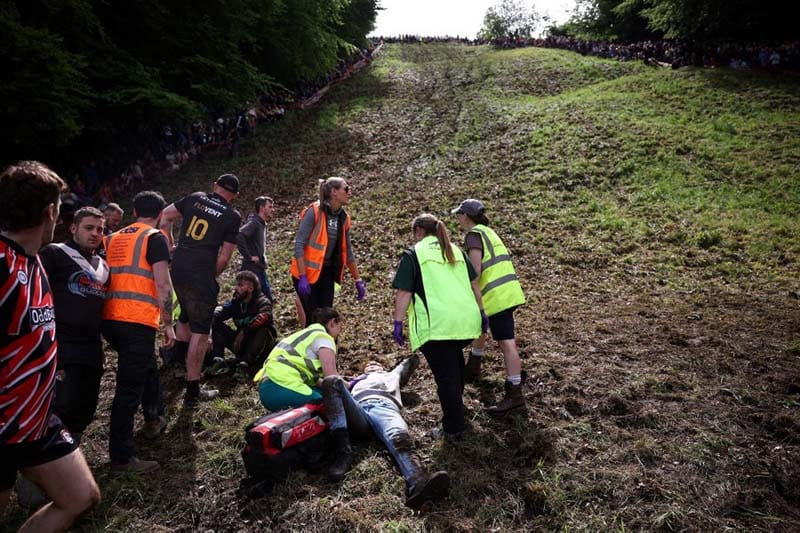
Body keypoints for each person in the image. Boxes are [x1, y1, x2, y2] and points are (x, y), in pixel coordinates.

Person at [0, 161, 100, 530]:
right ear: (49, 212)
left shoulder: (36, 261)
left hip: (37, 420)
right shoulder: (1, 264)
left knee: (80, 497)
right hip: (4, 423)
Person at [392, 214, 486, 439]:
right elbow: (474, 284)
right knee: (454, 364)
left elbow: (404, 292)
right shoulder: (455, 251)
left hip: (438, 326)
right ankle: (457, 411)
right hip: (465, 321)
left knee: (446, 378)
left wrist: (397, 322)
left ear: (418, 232)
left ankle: (453, 428)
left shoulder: (414, 254)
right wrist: (482, 312)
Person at [103, 191, 176, 472]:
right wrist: (168, 322)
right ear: (160, 214)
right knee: (128, 388)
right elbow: (163, 284)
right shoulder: (154, 238)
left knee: (147, 366)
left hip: (110, 320)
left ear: (133, 212)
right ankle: (121, 457)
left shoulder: (112, 238)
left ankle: (154, 417)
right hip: (137, 320)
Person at [322, 355, 450, 508]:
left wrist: (407, 357)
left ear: (383, 368)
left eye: (376, 363)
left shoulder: (391, 375)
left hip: (384, 407)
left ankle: (418, 482)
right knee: (330, 381)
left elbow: (410, 362)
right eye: (368, 364)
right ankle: (342, 452)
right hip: (358, 410)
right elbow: (332, 385)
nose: (372, 364)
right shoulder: (352, 382)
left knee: (399, 438)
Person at [159, 173, 241, 405]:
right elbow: (224, 258)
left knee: (184, 319)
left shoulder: (195, 198)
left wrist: (170, 246)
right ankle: (193, 390)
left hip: (178, 269)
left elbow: (165, 216)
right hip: (201, 273)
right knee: (201, 331)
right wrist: (209, 275)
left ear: (214, 185)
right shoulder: (231, 216)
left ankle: (178, 367)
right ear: (234, 196)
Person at [253, 307, 359, 480]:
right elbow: (332, 377)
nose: (339, 334)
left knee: (319, 397)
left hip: (269, 385)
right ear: (332, 322)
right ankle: (337, 451)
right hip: (283, 384)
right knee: (329, 406)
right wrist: (353, 386)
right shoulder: (324, 337)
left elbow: (318, 380)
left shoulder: (301, 336)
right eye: (340, 327)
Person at [39, 207, 109, 442]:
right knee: (62, 405)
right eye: (89, 228)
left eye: (100, 229)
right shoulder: (55, 253)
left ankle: (70, 454)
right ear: (73, 228)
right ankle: (40, 470)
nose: (95, 233)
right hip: (61, 341)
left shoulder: (104, 266)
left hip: (91, 344)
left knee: (86, 407)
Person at [453, 199, 527, 416]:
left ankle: (515, 394)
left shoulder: (474, 236)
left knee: (507, 344)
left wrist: (465, 289)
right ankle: (474, 364)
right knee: (480, 326)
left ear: (466, 215)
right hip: (507, 292)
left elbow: (475, 271)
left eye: (459, 214)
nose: (457, 218)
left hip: (496, 297)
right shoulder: (488, 232)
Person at [290, 177, 366, 326]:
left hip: (326, 273)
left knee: (327, 318)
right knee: (313, 319)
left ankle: (327, 348)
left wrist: (358, 280)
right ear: (334, 192)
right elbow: (299, 244)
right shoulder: (315, 212)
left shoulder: (343, 218)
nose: (349, 192)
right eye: (346, 189)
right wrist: (303, 276)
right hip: (306, 274)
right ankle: (312, 348)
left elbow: (348, 252)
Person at [208, 271, 275, 378]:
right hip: (241, 344)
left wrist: (244, 331)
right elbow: (218, 314)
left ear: (251, 288)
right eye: (236, 284)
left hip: (261, 347)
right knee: (217, 325)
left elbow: (263, 318)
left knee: (263, 330)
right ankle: (218, 361)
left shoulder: (262, 302)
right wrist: (208, 332)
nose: (236, 288)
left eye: (240, 285)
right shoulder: (236, 302)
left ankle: (245, 366)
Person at [236, 196, 274, 302]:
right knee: (256, 299)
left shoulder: (260, 223)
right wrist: (249, 256)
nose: (272, 210)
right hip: (252, 269)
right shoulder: (254, 223)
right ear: (262, 208)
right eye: (270, 207)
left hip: (259, 268)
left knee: (262, 299)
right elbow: (240, 235)